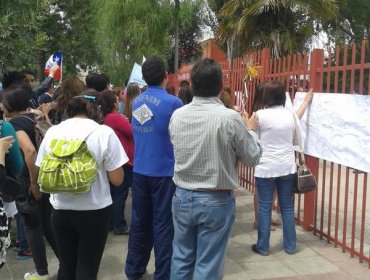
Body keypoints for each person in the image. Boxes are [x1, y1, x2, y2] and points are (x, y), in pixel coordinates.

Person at [168, 58, 262, 280]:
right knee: (208, 265)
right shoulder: (230, 118)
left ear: (191, 85)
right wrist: (251, 131)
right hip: (215, 200)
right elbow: (252, 157)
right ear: (221, 86)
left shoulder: (178, 115)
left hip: (182, 196)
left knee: (181, 259)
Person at [36, 88, 128, 280]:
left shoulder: (52, 132)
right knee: (87, 269)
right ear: (96, 109)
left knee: (66, 268)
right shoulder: (104, 133)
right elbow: (117, 180)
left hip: (60, 209)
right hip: (94, 210)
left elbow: (40, 168)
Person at [125, 56, 183, 280]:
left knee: (139, 221)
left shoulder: (137, 102)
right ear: (165, 76)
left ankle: (134, 269)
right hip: (164, 173)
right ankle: (163, 273)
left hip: (140, 170)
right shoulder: (173, 103)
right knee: (163, 224)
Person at [2, 83, 58, 280]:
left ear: (10, 104)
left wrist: (33, 184)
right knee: (47, 223)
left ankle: (42, 272)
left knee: (32, 227)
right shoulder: (35, 116)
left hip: (29, 182)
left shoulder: (15, 124)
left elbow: (29, 151)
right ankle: (68, 262)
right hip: (46, 177)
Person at [251, 80, 312, 256]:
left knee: (264, 206)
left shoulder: (259, 115)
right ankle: (291, 246)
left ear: (266, 96)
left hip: (265, 167)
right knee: (286, 206)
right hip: (287, 167)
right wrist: (307, 101)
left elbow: (251, 137)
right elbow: (297, 123)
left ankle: (263, 246)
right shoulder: (290, 115)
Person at [98, 90, 134, 235]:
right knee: (121, 193)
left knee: (115, 193)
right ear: (114, 103)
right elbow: (132, 132)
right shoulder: (115, 118)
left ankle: (112, 223)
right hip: (124, 160)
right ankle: (119, 224)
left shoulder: (107, 118)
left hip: (115, 159)